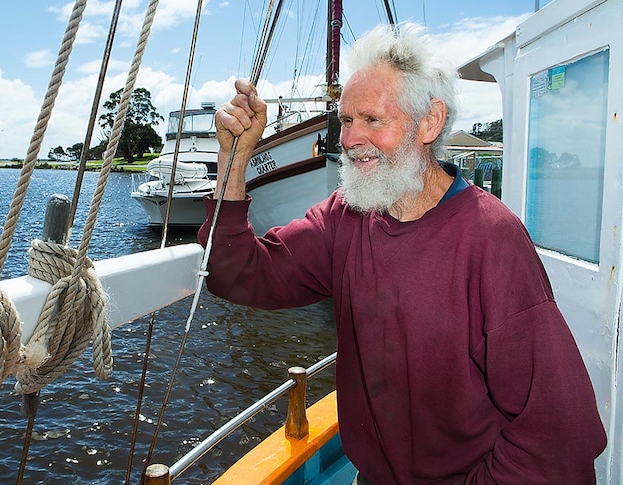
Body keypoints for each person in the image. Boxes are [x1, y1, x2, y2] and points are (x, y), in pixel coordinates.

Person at [198, 22, 607, 484]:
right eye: (347, 121)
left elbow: (559, 435)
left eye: (373, 120)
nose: (350, 140)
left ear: (429, 122)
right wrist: (234, 159)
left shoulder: (491, 238)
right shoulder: (345, 217)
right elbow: (236, 272)